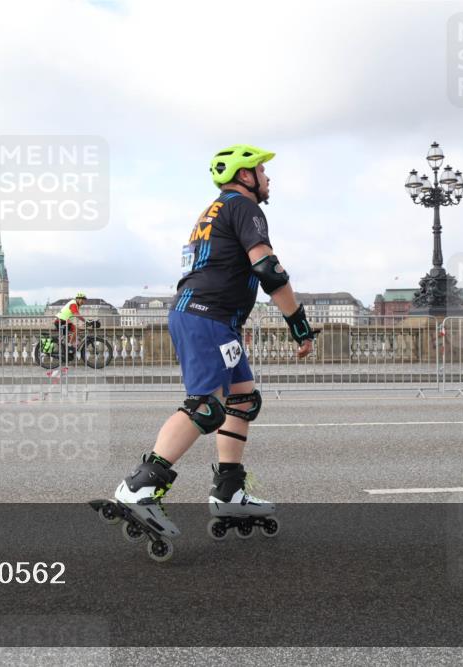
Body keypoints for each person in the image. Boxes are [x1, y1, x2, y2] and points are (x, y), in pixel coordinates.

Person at [112, 144, 319, 537]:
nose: (268, 177)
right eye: (262, 170)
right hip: (206, 317)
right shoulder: (245, 208)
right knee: (206, 406)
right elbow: (268, 270)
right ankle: (140, 487)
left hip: (211, 318)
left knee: (242, 398)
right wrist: (299, 324)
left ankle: (229, 491)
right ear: (246, 176)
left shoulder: (214, 209)